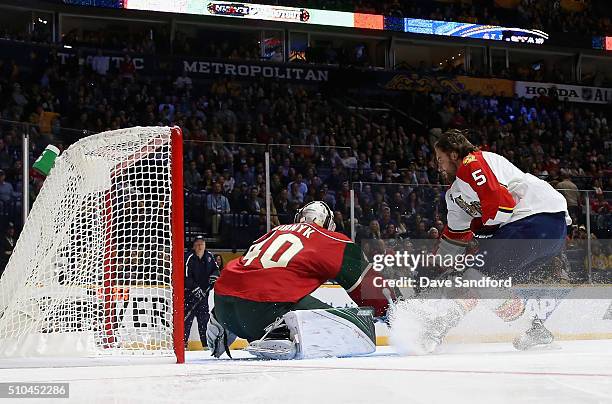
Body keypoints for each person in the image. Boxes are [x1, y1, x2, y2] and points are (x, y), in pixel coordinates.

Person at [400, 129, 571, 354]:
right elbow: (455, 237)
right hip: (549, 232)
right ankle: (534, 330)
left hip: (536, 218)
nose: (438, 165)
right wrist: (433, 270)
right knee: (488, 284)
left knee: (476, 277)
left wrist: (482, 232)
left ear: (454, 154)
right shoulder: (455, 195)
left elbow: (503, 204)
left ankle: (437, 328)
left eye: (440, 159)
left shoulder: (472, 162)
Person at [206, 201, 394, 360]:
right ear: (327, 222)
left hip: (223, 301)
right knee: (356, 327)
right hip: (264, 310)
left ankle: (222, 322)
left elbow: (249, 268)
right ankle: (281, 332)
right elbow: (369, 288)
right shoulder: (329, 238)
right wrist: (393, 312)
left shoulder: (274, 231)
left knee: (258, 289)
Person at [184, 236, 219, 349]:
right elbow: (185, 276)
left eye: (202, 244)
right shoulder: (188, 257)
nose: (200, 246)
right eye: (198, 244)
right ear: (194, 246)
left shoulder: (209, 256)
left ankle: (205, 345)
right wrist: (195, 288)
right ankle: (182, 344)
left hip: (203, 295)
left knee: (204, 320)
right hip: (189, 296)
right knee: (187, 320)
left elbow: (216, 270)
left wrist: (214, 276)